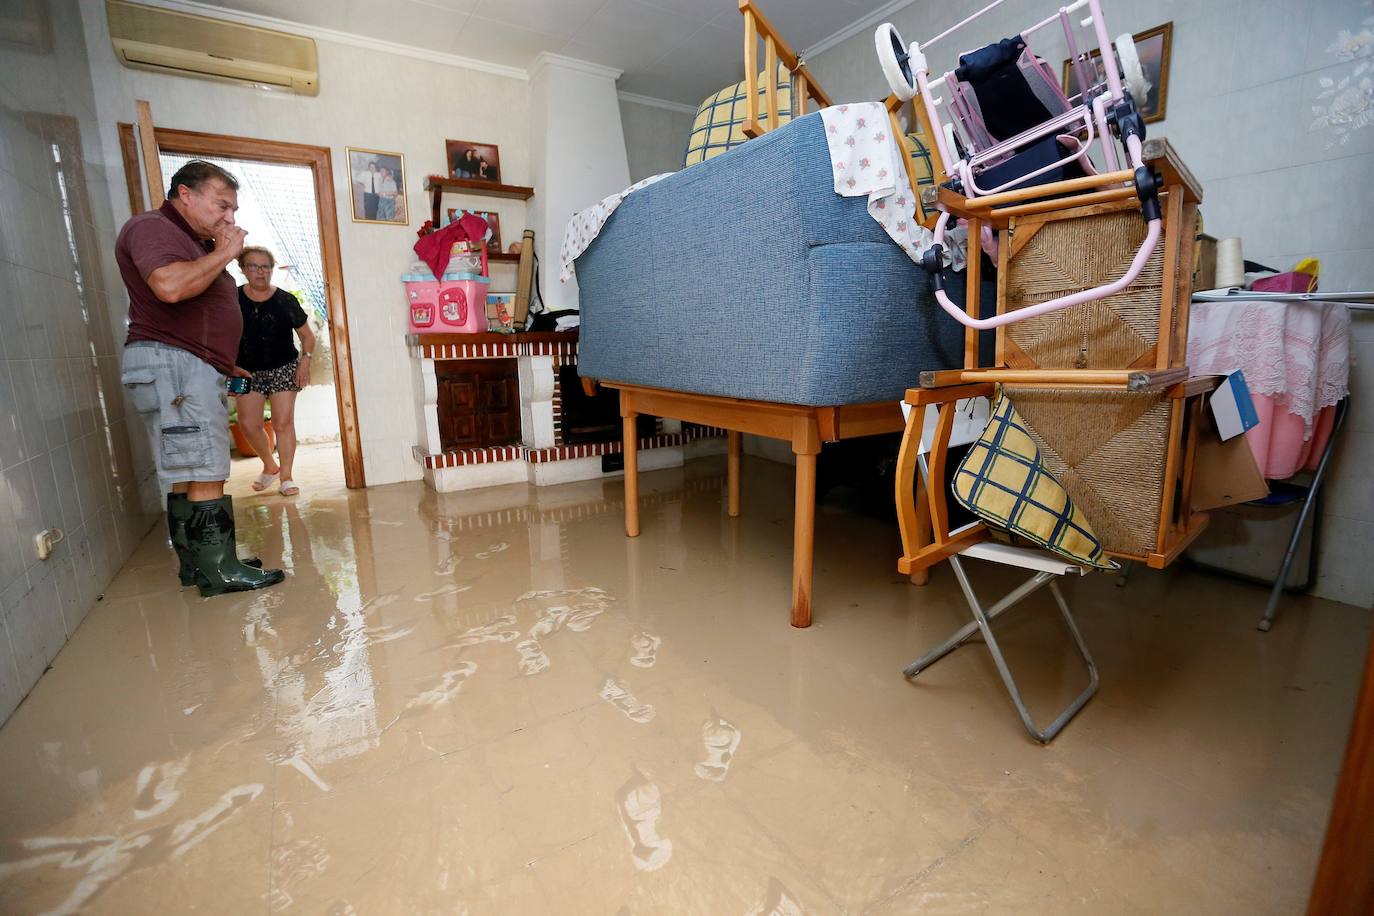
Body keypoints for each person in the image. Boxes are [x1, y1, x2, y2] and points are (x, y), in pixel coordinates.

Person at [115, 160, 284, 598]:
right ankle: (219, 569)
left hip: (186, 365)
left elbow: (194, 310)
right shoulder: (152, 228)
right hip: (176, 367)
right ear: (185, 194)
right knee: (205, 464)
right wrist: (226, 254)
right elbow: (169, 288)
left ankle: (200, 565)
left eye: (232, 209)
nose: (230, 218)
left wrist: (224, 363)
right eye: (222, 205)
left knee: (188, 468)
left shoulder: (189, 241)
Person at [234, 246, 316, 497]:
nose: (260, 272)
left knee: (283, 422)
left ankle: (287, 476)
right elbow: (219, 335)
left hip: (284, 367)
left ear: (271, 269)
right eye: (254, 266)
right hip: (243, 370)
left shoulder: (285, 300)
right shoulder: (231, 299)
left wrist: (305, 362)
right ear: (243, 269)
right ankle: (270, 465)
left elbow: (307, 336)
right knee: (247, 424)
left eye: (265, 266)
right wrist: (228, 366)